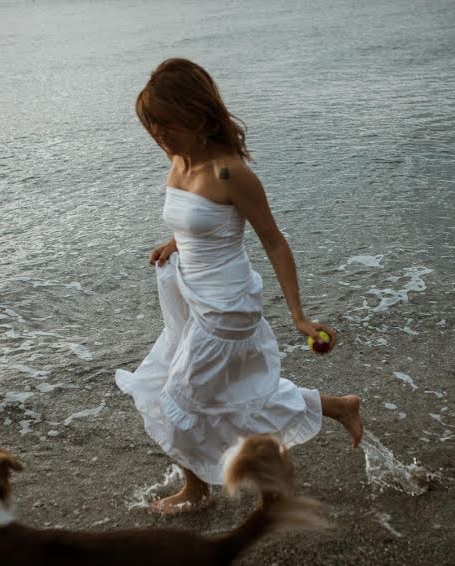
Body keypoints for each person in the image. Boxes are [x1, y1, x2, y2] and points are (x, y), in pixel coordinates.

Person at [116, 58, 363, 515]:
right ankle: (336, 407)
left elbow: (273, 240)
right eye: (151, 124)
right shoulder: (178, 160)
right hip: (191, 297)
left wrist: (298, 316)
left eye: (165, 122)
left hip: (227, 308)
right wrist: (175, 242)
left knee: (178, 399)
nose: (159, 134)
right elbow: (197, 218)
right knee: (204, 392)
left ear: (195, 113)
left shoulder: (230, 173)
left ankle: (196, 490)